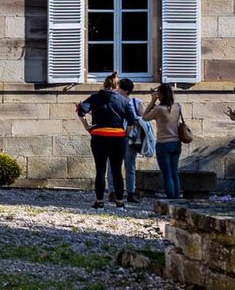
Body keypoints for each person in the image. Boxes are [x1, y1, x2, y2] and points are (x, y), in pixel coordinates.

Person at [77, 72, 139, 209]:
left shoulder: (95, 97)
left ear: (104, 84)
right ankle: (119, 201)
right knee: (117, 170)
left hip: (99, 136)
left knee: (100, 170)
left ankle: (99, 201)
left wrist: (87, 126)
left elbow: (81, 110)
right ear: (117, 86)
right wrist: (126, 133)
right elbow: (131, 120)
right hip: (117, 137)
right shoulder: (124, 100)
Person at [144, 82, 185, 199]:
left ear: (160, 95)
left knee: (167, 173)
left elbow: (145, 117)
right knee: (174, 172)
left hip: (163, 143)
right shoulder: (177, 106)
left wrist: (152, 101)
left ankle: (171, 198)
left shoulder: (159, 109)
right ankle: (177, 197)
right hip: (176, 142)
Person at [118, 78, 151, 202]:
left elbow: (144, 119)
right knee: (114, 166)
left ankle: (130, 192)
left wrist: (135, 120)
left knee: (129, 165)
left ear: (125, 90)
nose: (117, 90)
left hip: (130, 138)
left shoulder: (136, 102)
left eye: (119, 88)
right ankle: (113, 192)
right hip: (117, 136)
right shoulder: (115, 100)